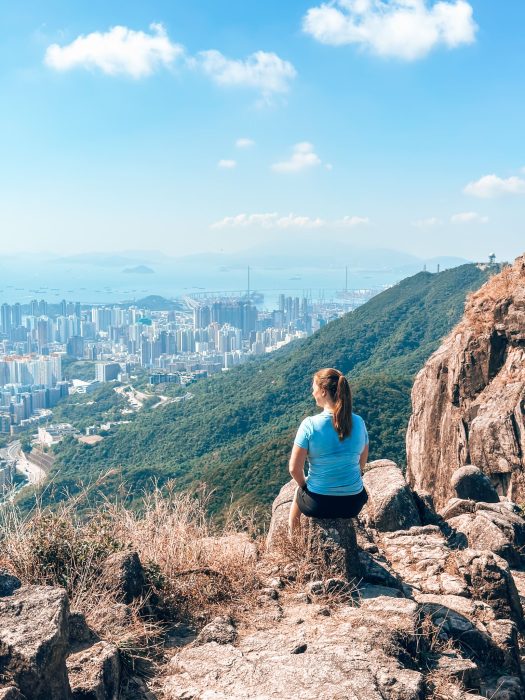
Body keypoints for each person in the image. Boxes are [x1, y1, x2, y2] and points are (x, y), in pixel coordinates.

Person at [288, 368, 369, 534]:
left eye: (314, 388)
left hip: (318, 504)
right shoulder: (359, 422)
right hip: (353, 504)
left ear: (323, 392)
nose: (313, 393)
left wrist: (305, 486)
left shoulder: (310, 425)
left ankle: (293, 541)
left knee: (298, 492)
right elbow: (362, 461)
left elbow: (294, 469)